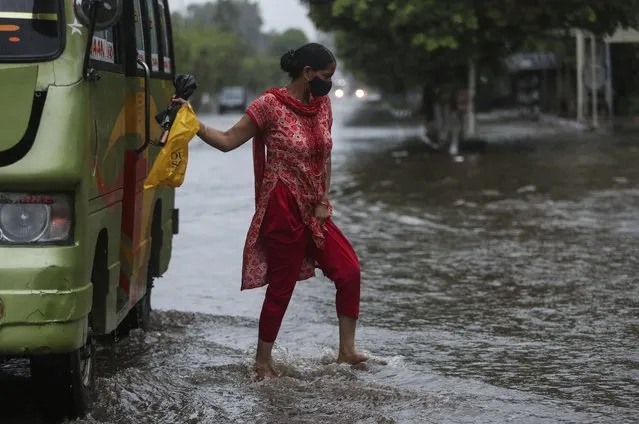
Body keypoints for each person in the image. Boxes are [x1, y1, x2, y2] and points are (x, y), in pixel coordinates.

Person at [174, 43, 367, 379]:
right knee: (282, 285)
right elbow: (228, 140)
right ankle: (262, 362)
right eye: (325, 76)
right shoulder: (269, 106)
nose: (329, 84)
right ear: (307, 74)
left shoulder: (322, 107)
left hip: (314, 207)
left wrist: (324, 200)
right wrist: (192, 123)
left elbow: (326, 155)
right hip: (282, 205)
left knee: (349, 271)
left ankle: (346, 351)